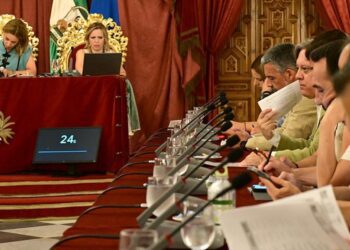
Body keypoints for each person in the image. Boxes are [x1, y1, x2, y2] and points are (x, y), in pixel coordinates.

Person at [260, 39, 350, 199]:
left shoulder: (335, 110)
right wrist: (293, 175)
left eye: (306, 69)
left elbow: (330, 183)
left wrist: (329, 120)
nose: (299, 75)